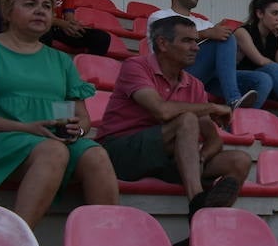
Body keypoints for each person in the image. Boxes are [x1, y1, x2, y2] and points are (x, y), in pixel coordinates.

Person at [0, 0, 119, 228]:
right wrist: (28, 128)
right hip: (0, 138)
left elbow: (82, 118)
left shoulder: (61, 60)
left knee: (97, 154)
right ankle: (17, 245)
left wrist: (75, 130)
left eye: (47, 6)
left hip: (49, 140)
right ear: (6, 12)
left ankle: (107, 242)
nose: (41, 11)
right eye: (30, 4)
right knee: (53, 150)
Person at [97, 15, 250, 217]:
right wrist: (212, 107)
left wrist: (200, 159)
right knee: (186, 120)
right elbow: (162, 110)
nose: (196, 47)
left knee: (240, 160)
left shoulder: (194, 84)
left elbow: (213, 140)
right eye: (187, 41)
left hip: (167, 157)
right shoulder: (136, 66)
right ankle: (197, 202)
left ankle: (204, 228)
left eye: (196, 41)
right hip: (120, 151)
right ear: (162, 44)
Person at [149, 0, 257, 110]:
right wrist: (208, 34)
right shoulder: (159, 17)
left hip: (206, 78)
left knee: (262, 79)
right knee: (225, 38)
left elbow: (223, 59)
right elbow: (168, 44)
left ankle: (237, 125)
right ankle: (233, 99)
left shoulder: (205, 23)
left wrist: (238, 50)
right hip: (173, 73)